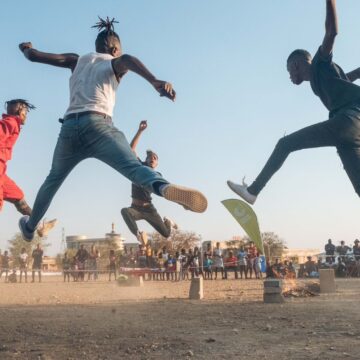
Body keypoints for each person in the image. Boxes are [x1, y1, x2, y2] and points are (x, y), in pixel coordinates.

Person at [18, 17, 207, 242]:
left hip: (69, 128)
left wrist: (27, 49)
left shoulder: (75, 60)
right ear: (114, 48)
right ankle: (162, 187)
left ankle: (30, 227)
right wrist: (154, 80)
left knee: (53, 180)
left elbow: (33, 56)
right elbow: (126, 60)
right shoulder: (113, 61)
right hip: (98, 125)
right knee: (134, 168)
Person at [228, 0, 360, 208]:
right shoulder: (322, 78)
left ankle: (253, 191)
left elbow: (331, 33)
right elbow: (347, 79)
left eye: (289, 70)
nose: (290, 76)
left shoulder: (319, 63)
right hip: (350, 134)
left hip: (347, 121)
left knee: (285, 144)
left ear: (297, 64)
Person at [0, 99, 57, 238]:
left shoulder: (13, 123)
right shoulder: (11, 122)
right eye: (26, 111)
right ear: (19, 110)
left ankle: (38, 226)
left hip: (2, 171)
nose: (26, 115)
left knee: (19, 198)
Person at [121, 121, 179, 245]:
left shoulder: (157, 176)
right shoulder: (139, 166)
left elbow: (167, 191)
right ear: (145, 160)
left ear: (157, 163)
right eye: (150, 157)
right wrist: (140, 131)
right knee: (124, 211)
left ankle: (168, 222)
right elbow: (131, 149)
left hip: (149, 210)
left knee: (166, 234)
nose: (152, 159)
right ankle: (138, 234)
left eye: (155, 158)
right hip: (135, 208)